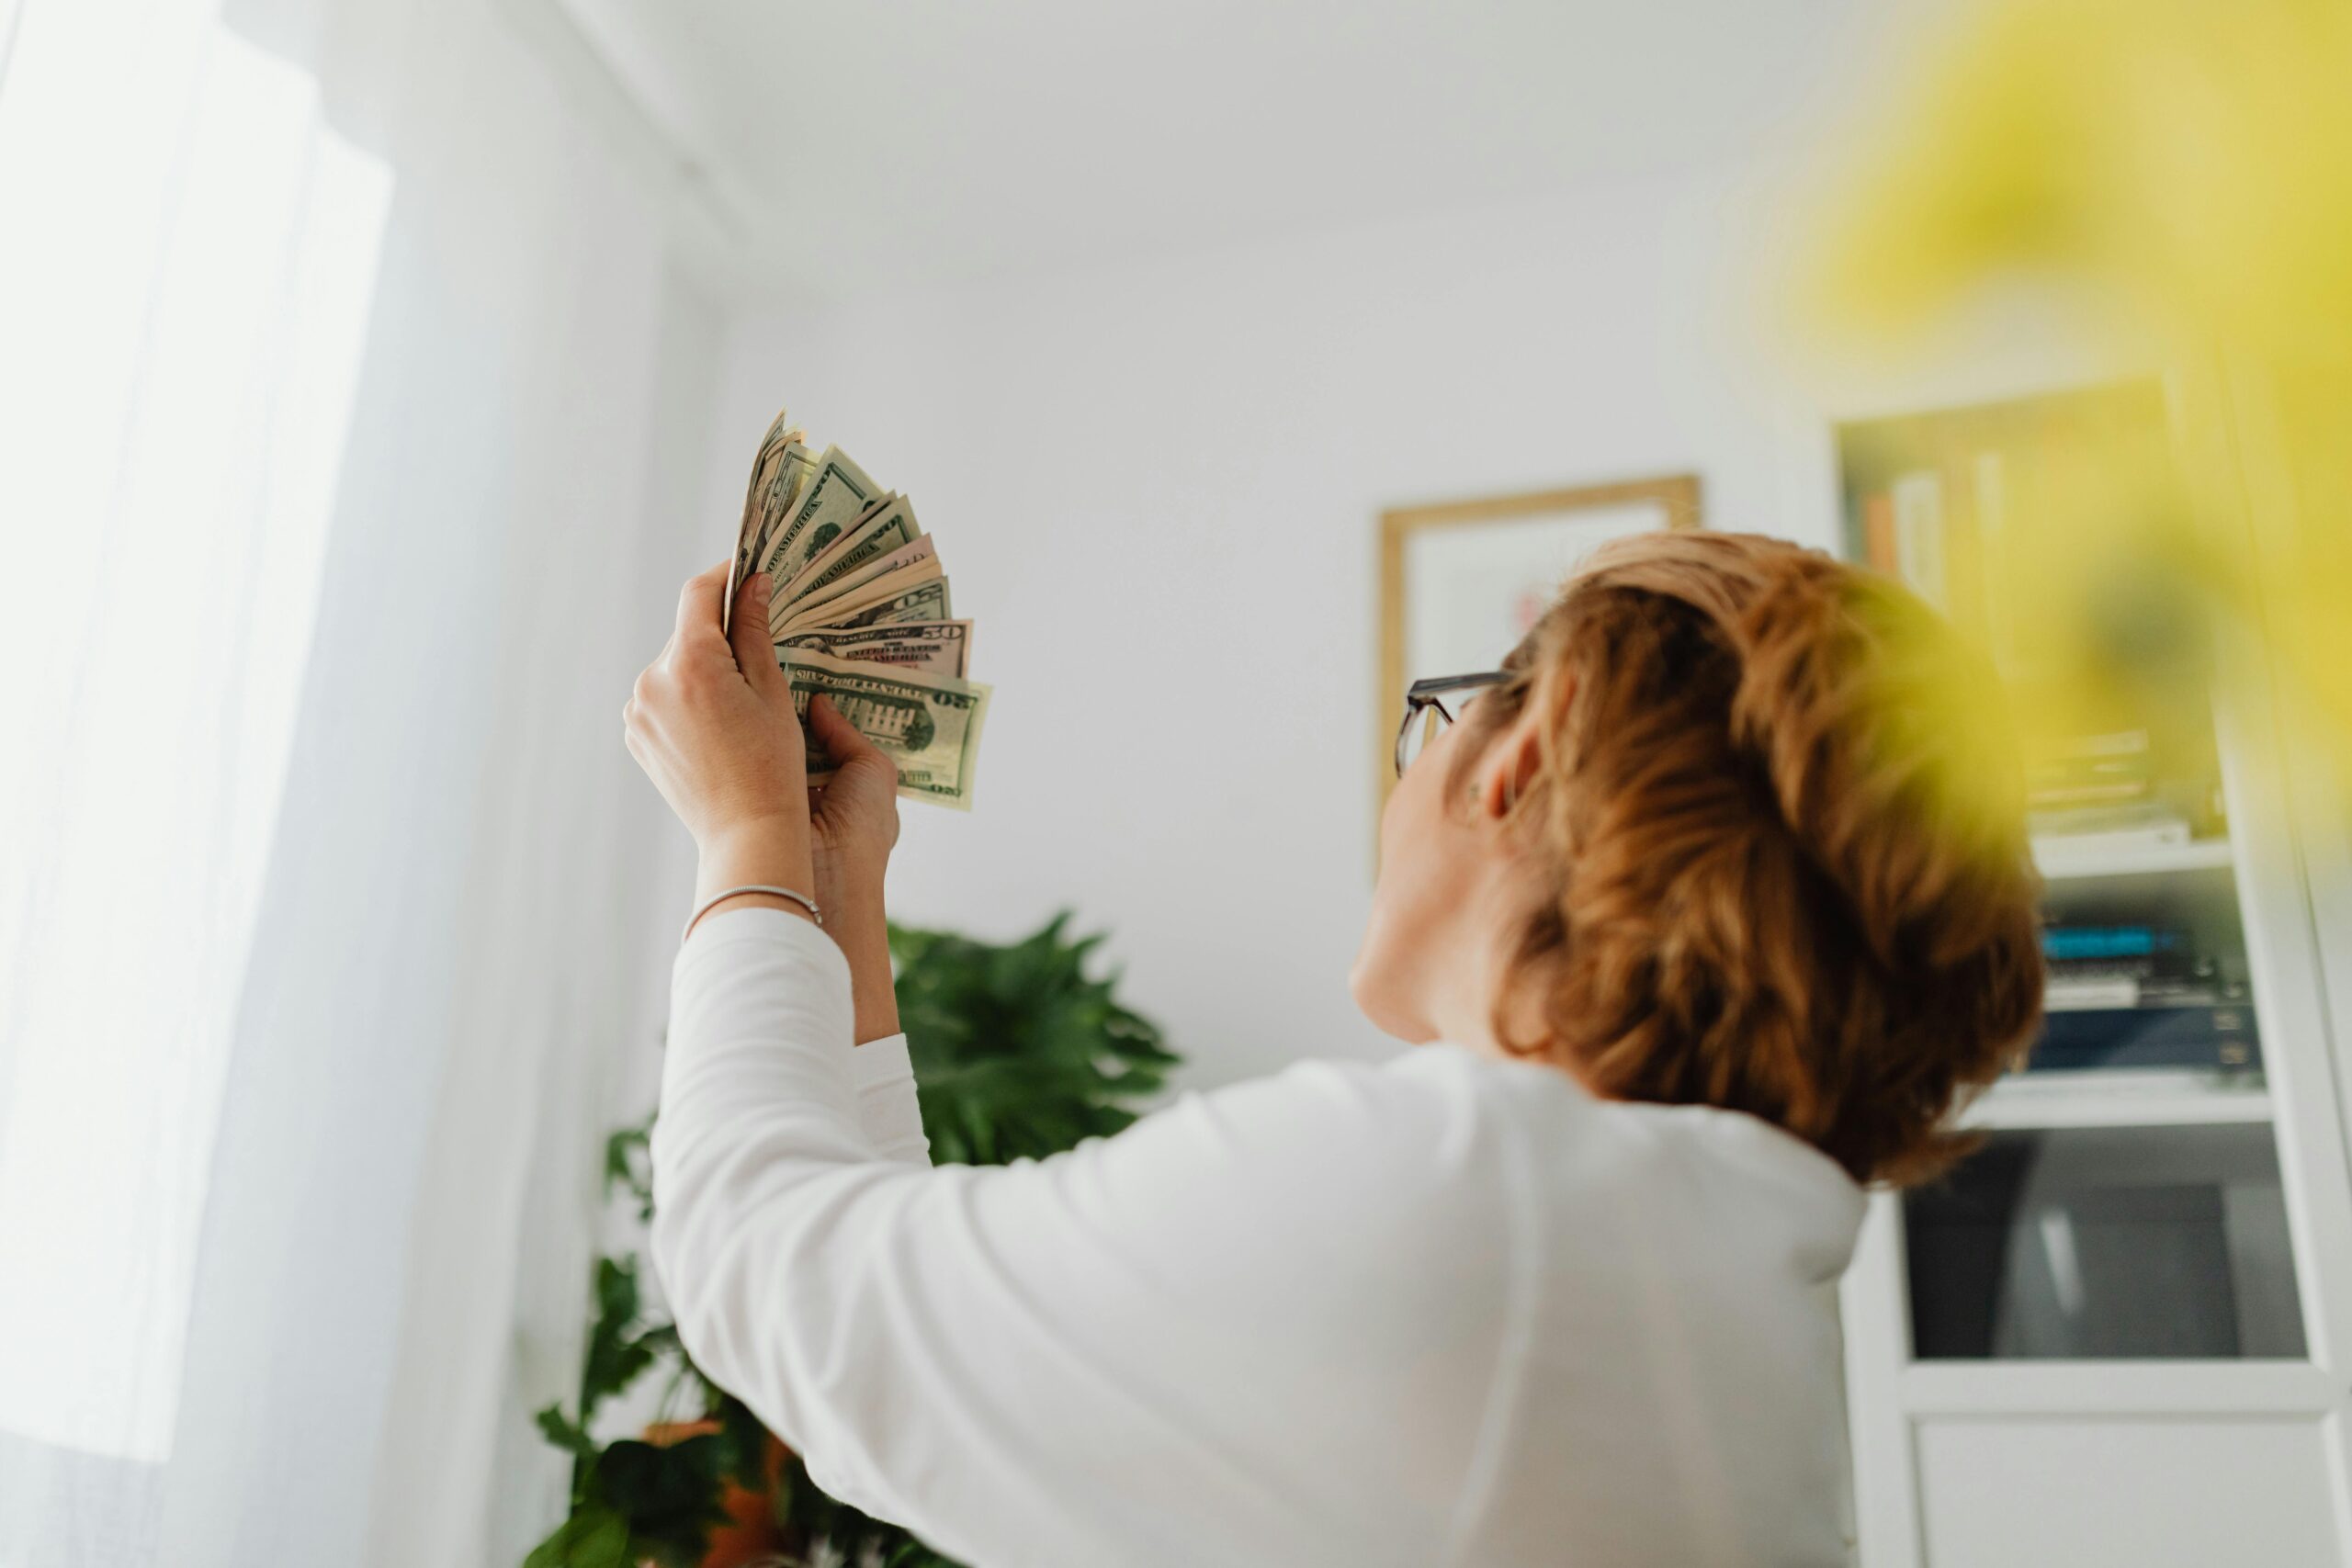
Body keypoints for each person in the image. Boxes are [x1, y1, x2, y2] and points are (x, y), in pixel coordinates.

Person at [621, 529, 2043, 1568]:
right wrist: (831, 880)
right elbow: (891, 1355)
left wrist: (742, 839)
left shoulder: (1470, 1194)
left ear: (1519, 760)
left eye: (1435, 717)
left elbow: (765, 1265)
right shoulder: (1680, 1264)